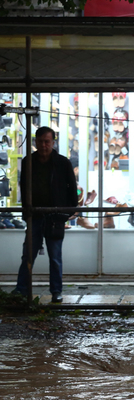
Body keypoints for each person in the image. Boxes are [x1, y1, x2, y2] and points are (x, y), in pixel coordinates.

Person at [12, 126, 78, 303]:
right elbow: (24, 187)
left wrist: (69, 211)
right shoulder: (28, 161)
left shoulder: (62, 162)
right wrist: (27, 212)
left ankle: (56, 290)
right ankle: (21, 288)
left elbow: (72, 187)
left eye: (46, 141)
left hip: (55, 216)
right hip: (35, 214)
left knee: (55, 256)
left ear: (53, 142)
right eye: (40, 141)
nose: (43, 145)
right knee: (28, 254)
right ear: (35, 142)